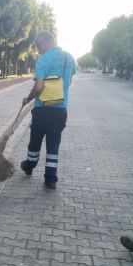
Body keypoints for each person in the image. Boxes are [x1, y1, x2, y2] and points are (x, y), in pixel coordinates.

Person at [20, 31, 76, 189]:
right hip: (60, 110)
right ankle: (51, 178)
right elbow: (68, 82)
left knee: (35, 140)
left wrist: (27, 99)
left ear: (44, 42)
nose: (38, 50)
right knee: (53, 143)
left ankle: (29, 165)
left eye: (38, 46)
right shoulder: (69, 58)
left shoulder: (43, 60)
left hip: (42, 109)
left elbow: (38, 87)